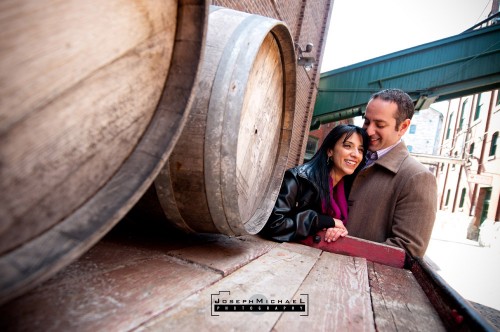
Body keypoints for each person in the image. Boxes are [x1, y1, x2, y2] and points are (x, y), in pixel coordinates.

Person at [346, 88, 437, 258]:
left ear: (403, 127)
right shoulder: (352, 159)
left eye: (379, 125)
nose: (369, 131)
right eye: (366, 122)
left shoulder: (418, 177)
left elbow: (407, 251)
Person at [261, 124, 368, 243]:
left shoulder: (347, 190)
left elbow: (336, 225)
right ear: (330, 151)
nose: (355, 154)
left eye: (360, 150)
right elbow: (275, 226)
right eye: (348, 146)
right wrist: (324, 221)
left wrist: (336, 230)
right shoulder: (298, 178)